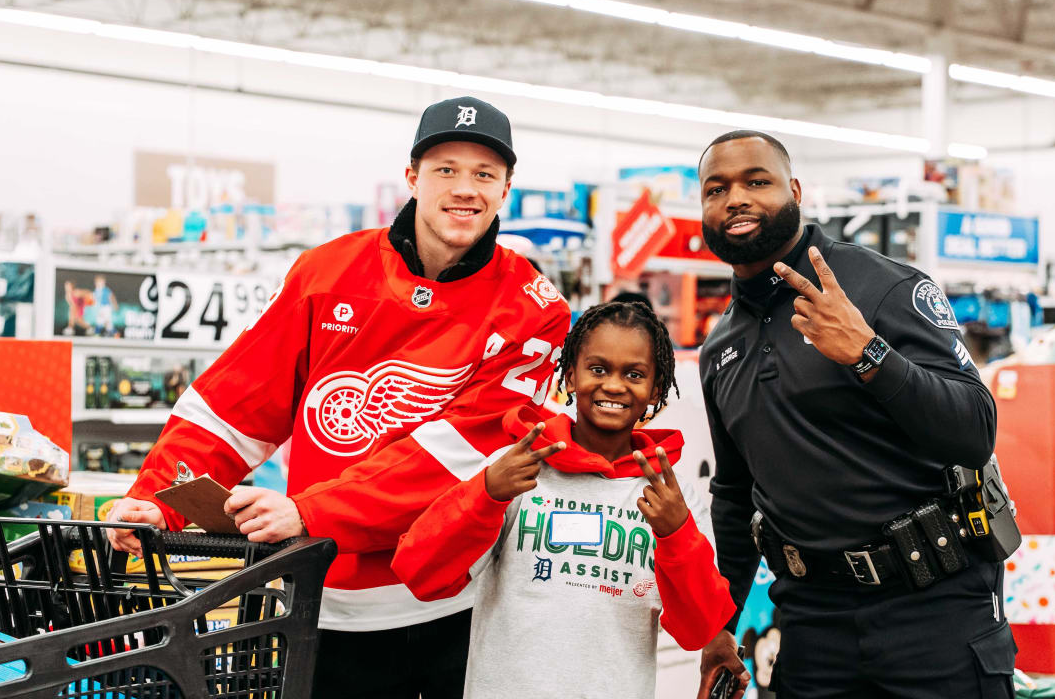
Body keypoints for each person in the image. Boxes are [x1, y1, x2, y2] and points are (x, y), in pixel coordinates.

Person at [104, 95, 572, 698]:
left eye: (485, 174)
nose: (466, 189)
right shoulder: (326, 273)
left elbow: (459, 456)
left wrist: (311, 511)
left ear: (507, 187)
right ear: (412, 178)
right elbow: (231, 405)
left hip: (453, 605)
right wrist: (156, 500)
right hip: (319, 600)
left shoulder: (532, 311)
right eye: (446, 170)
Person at [694, 130, 1013, 699]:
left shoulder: (883, 288)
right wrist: (721, 623)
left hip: (934, 610)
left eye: (756, 182)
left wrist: (870, 355)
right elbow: (736, 495)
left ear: (794, 190)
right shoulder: (722, 348)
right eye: (716, 189)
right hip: (812, 624)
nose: (735, 198)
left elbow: (974, 431)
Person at [392, 301, 736, 699]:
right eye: (598, 368)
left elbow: (697, 629)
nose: (613, 385)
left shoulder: (672, 498)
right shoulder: (515, 468)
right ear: (570, 375)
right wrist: (485, 494)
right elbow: (420, 574)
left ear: (656, 388)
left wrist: (676, 535)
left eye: (635, 374)